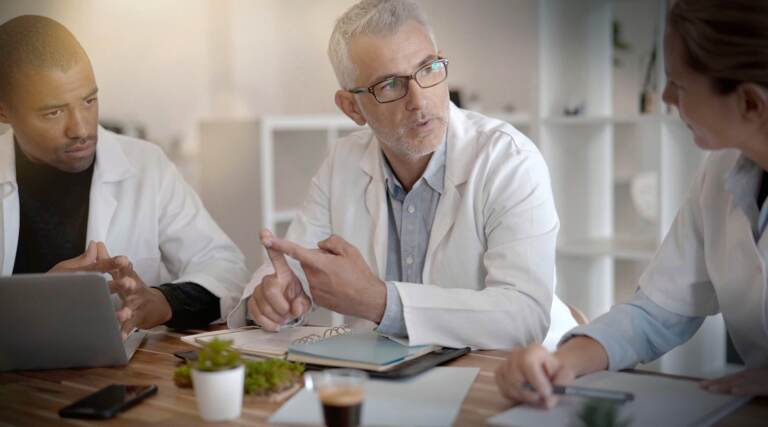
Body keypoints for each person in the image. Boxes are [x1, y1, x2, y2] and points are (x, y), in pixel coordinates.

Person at [228, 0, 577, 350]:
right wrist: (270, 296)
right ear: (352, 108)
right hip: (396, 373)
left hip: (524, 375)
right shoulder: (343, 161)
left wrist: (379, 301)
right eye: (390, 84)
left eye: (427, 69)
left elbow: (523, 316)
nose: (420, 100)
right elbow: (297, 266)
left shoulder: (508, 159)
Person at [495, 0, 768, 406]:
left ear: (749, 103)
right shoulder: (719, 175)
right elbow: (655, 315)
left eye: (680, 83)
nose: (666, 95)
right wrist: (563, 361)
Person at [0, 15, 250, 337]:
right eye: (54, 112)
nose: (81, 129)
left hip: (122, 377)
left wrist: (161, 301)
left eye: (89, 101)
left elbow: (227, 269)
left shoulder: (147, 165)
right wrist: (36, 299)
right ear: (4, 111)